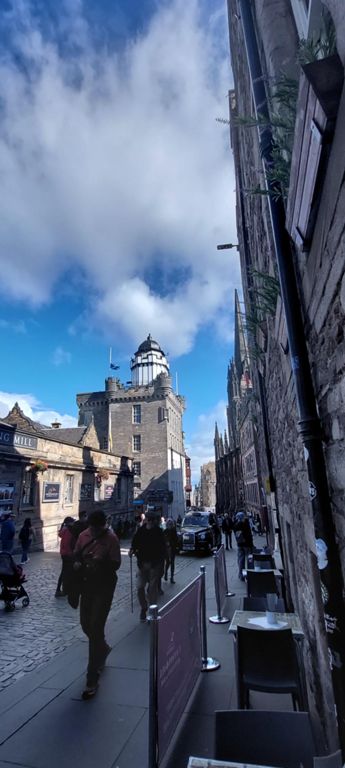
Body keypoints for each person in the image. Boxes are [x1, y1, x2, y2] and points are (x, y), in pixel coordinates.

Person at [74, 509, 121, 700]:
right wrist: (78, 562)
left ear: (103, 525)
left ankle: (91, 680)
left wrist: (100, 562)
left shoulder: (111, 538)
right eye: (91, 528)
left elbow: (116, 563)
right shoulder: (83, 535)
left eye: (96, 528)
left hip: (104, 586)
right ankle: (103, 648)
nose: (93, 532)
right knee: (86, 624)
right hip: (87, 585)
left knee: (95, 629)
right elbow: (76, 554)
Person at [129, 509, 166, 622]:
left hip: (154, 565)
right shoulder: (141, 531)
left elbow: (162, 549)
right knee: (140, 587)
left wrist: (160, 564)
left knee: (152, 590)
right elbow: (135, 543)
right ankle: (144, 607)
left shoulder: (159, 532)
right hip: (142, 564)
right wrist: (132, 550)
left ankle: (152, 610)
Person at [55, 516, 75, 597]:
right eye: (72, 522)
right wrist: (71, 553)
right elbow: (67, 543)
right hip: (68, 554)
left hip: (64, 554)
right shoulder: (68, 530)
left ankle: (60, 589)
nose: (73, 523)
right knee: (67, 572)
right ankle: (63, 590)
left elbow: (60, 536)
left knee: (64, 571)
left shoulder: (64, 530)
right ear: (69, 522)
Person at [233, 510, 253, 580]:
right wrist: (251, 544)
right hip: (247, 545)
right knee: (249, 559)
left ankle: (241, 575)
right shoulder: (245, 523)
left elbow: (236, 535)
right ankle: (250, 573)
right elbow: (249, 535)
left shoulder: (236, 524)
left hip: (240, 545)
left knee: (241, 560)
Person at [163, 518, 179, 584]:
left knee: (172, 563)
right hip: (166, 550)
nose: (169, 525)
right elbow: (163, 541)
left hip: (172, 549)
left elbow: (176, 540)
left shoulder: (173, 531)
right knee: (168, 562)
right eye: (168, 524)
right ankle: (166, 573)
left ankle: (172, 577)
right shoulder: (165, 531)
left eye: (170, 524)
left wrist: (172, 544)